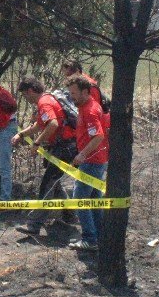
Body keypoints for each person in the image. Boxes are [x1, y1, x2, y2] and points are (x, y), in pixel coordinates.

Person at [11, 76, 77, 235]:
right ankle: (70, 216)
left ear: (31, 91)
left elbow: (52, 124)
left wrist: (37, 143)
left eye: (25, 95)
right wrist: (21, 134)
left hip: (64, 148)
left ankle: (34, 224)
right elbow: (40, 125)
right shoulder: (48, 98)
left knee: (47, 185)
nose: (26, 99)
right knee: (55, 184)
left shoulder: (44, 103)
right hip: (65, 146)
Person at [65, 75, 108, 251]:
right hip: (96, 160)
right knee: (94, 199)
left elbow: (98, 136)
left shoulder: (90, 111)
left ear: (85, 92)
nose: (71, 97)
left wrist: (82, 154)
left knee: (80, 199)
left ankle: (90, 238)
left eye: (74, 93)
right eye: (70, 93)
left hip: (92, 162)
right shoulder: (84, 107)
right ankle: (100, 235)